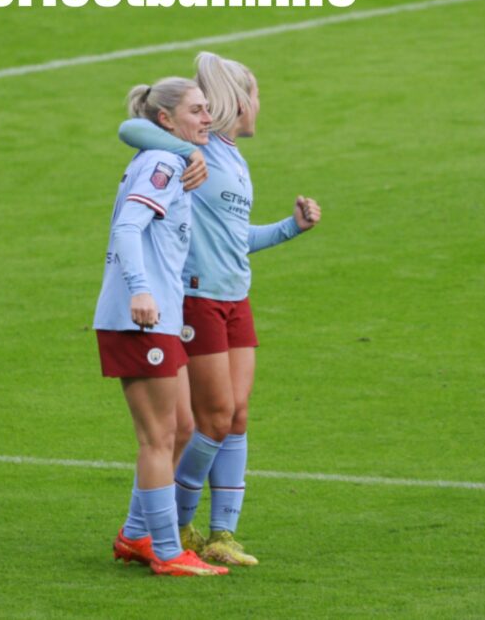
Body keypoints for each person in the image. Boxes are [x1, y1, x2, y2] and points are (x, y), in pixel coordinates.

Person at [118, 51, 322, 565]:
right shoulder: (194, 153)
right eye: (254, 95)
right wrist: (180, 147)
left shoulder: (229, 157)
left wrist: (289, 229)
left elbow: (233, 239)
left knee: (236, 415)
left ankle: (222, 533)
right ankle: (176, 525)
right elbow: (131, 129)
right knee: (210, 419)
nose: (259, 106)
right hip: (197, 297)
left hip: (235, 296)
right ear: (239, 100)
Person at [95, 76, 228, 576]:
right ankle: (168, 553)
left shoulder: (174, 158)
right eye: (196, 110)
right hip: (140, 318)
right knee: (158, 436)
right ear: (166, 119)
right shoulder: (162, 162)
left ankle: (135, 535)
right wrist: (140, 290)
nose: (207, 118)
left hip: (162, 318)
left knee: (183, 428)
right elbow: (128, 228)